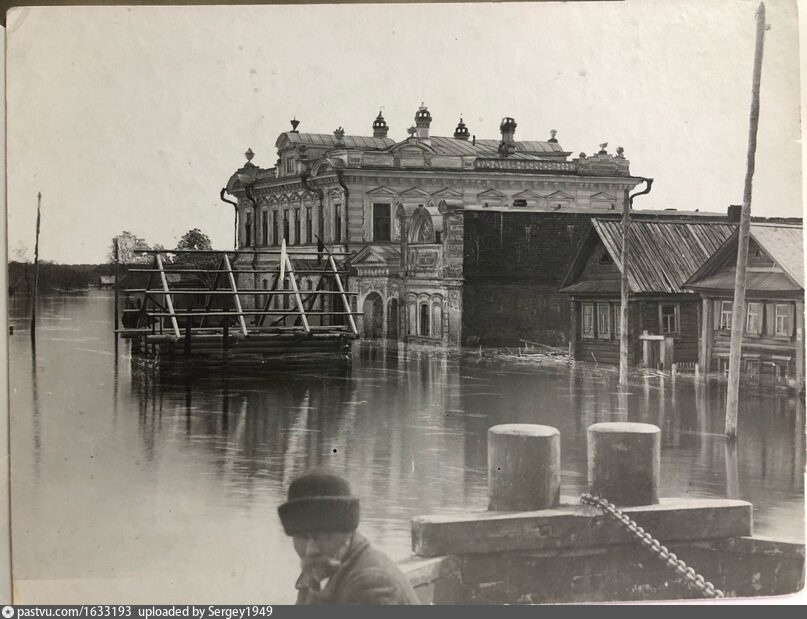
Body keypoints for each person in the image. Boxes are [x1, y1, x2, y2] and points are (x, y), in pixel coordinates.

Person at [278, 470, 420, 605]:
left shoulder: (371, 586)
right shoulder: (319, 569)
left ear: (348, 532)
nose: (311, 550)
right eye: (301, 537)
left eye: (323, 536)